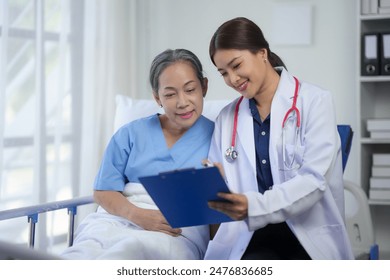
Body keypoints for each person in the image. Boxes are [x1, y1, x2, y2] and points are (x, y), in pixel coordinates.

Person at [204, 17, 354, 260]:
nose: (232, 79)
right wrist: (214, 182)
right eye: (223, 73)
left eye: (236, 65)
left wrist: (254, 206)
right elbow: (220, 182)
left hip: (307, 236)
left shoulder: (315, 101)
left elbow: (313, 181)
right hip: (249, 235)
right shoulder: (227, 118)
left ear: (262, 53)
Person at [60, 48, 213, 259]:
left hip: (174, 231)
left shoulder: (220, 138)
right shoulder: (130, 134)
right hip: (117, 219)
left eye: (190, 89)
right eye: (170, 94)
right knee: (84, 251)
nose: (182, 102)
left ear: (204, 86)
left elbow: (222, 211)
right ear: (157, 97)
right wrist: (138, 215)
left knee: (131, 251)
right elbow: (103, 191)